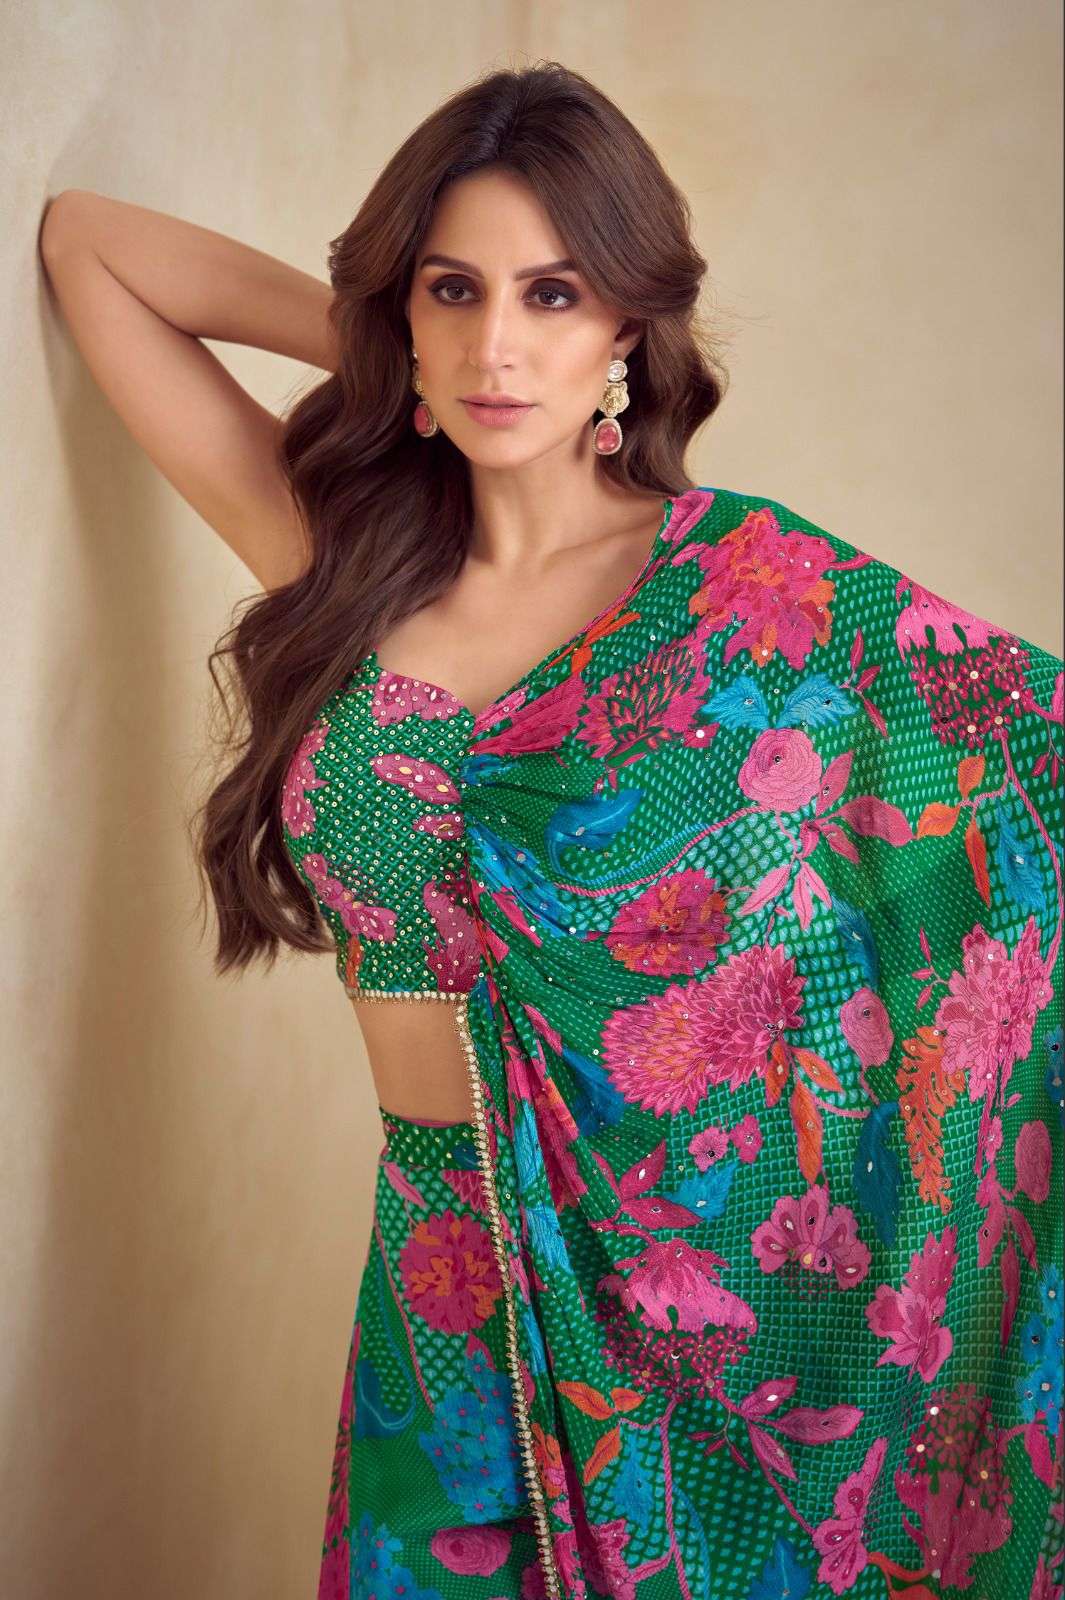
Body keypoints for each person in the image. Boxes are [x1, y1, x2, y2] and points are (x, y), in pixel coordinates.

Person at [38, 59, 1062, 1600]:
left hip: (684, 1286)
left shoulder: (750, 591)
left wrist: (493, 365)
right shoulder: (346, 563)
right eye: (453, 290)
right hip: (441, 1260)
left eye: (554, 294)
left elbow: (1026, 775)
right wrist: (400, 363)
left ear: (629, 327)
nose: (497, 342)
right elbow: (91, 248)